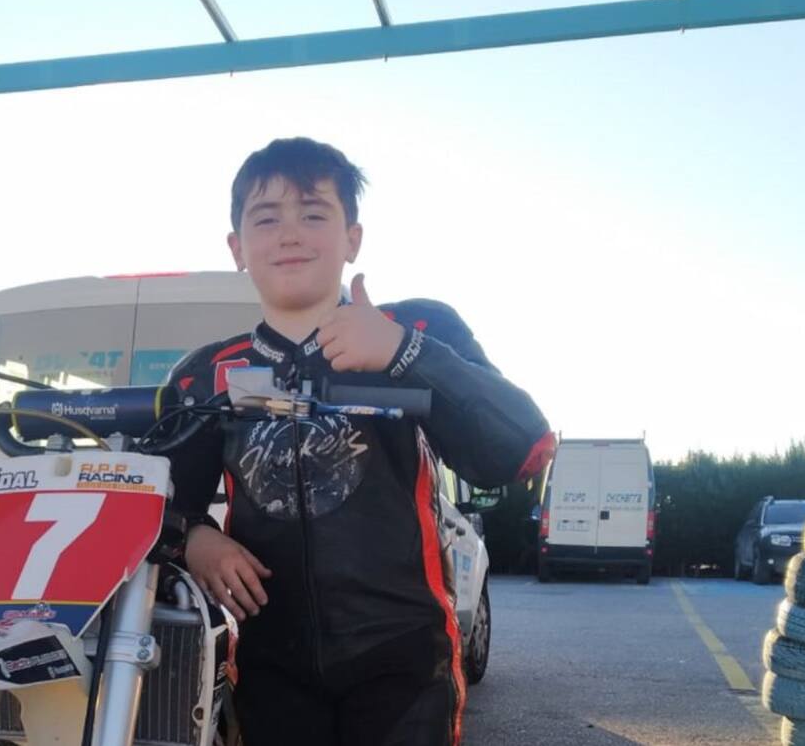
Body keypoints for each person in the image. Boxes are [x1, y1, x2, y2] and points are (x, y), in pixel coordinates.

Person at [168, 137, 554, 746]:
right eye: (266, 219)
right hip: (271, 663)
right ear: (237, 248)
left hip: (403, 663)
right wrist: (193, 537)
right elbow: (150, 502)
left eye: (313, 213)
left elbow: (519, 449)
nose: (289, 234)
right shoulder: (205, 374)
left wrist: (404, 352)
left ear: (353, 238)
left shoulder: (416, 328)